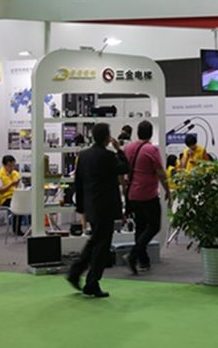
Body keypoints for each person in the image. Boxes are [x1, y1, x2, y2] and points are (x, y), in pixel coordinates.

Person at [67, 123, 128, 298]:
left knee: (96, 241)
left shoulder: (84, 155)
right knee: (101, 245)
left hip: (91, 205)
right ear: (107, 137)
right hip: (106, 206)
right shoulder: (108, 156)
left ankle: (79, 274)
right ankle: (88, 280)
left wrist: (81, 206)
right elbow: (125, 168)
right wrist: (119, 150)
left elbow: (78, 182)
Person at [123, 121, 171, 274]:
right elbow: (160, 172)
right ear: (151, 133)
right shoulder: (151, 150)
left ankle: (143, 261)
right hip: (148, 194)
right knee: (154, 226)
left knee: (140, 226)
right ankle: (133, 255)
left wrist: (124, 189)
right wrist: (168, 190)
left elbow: (123, 170)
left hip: (132, 193)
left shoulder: (128, 148)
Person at [0, 155, 24, 235]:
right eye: (10, 166)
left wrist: (17, 185)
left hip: (16, 197)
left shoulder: (16, 174)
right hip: (5, 199)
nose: (12, 168)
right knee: (17, 206)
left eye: (13, 165)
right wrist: (11, 185)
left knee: (24, 204)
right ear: (4, 165)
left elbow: (20, 187)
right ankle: (16, 230)